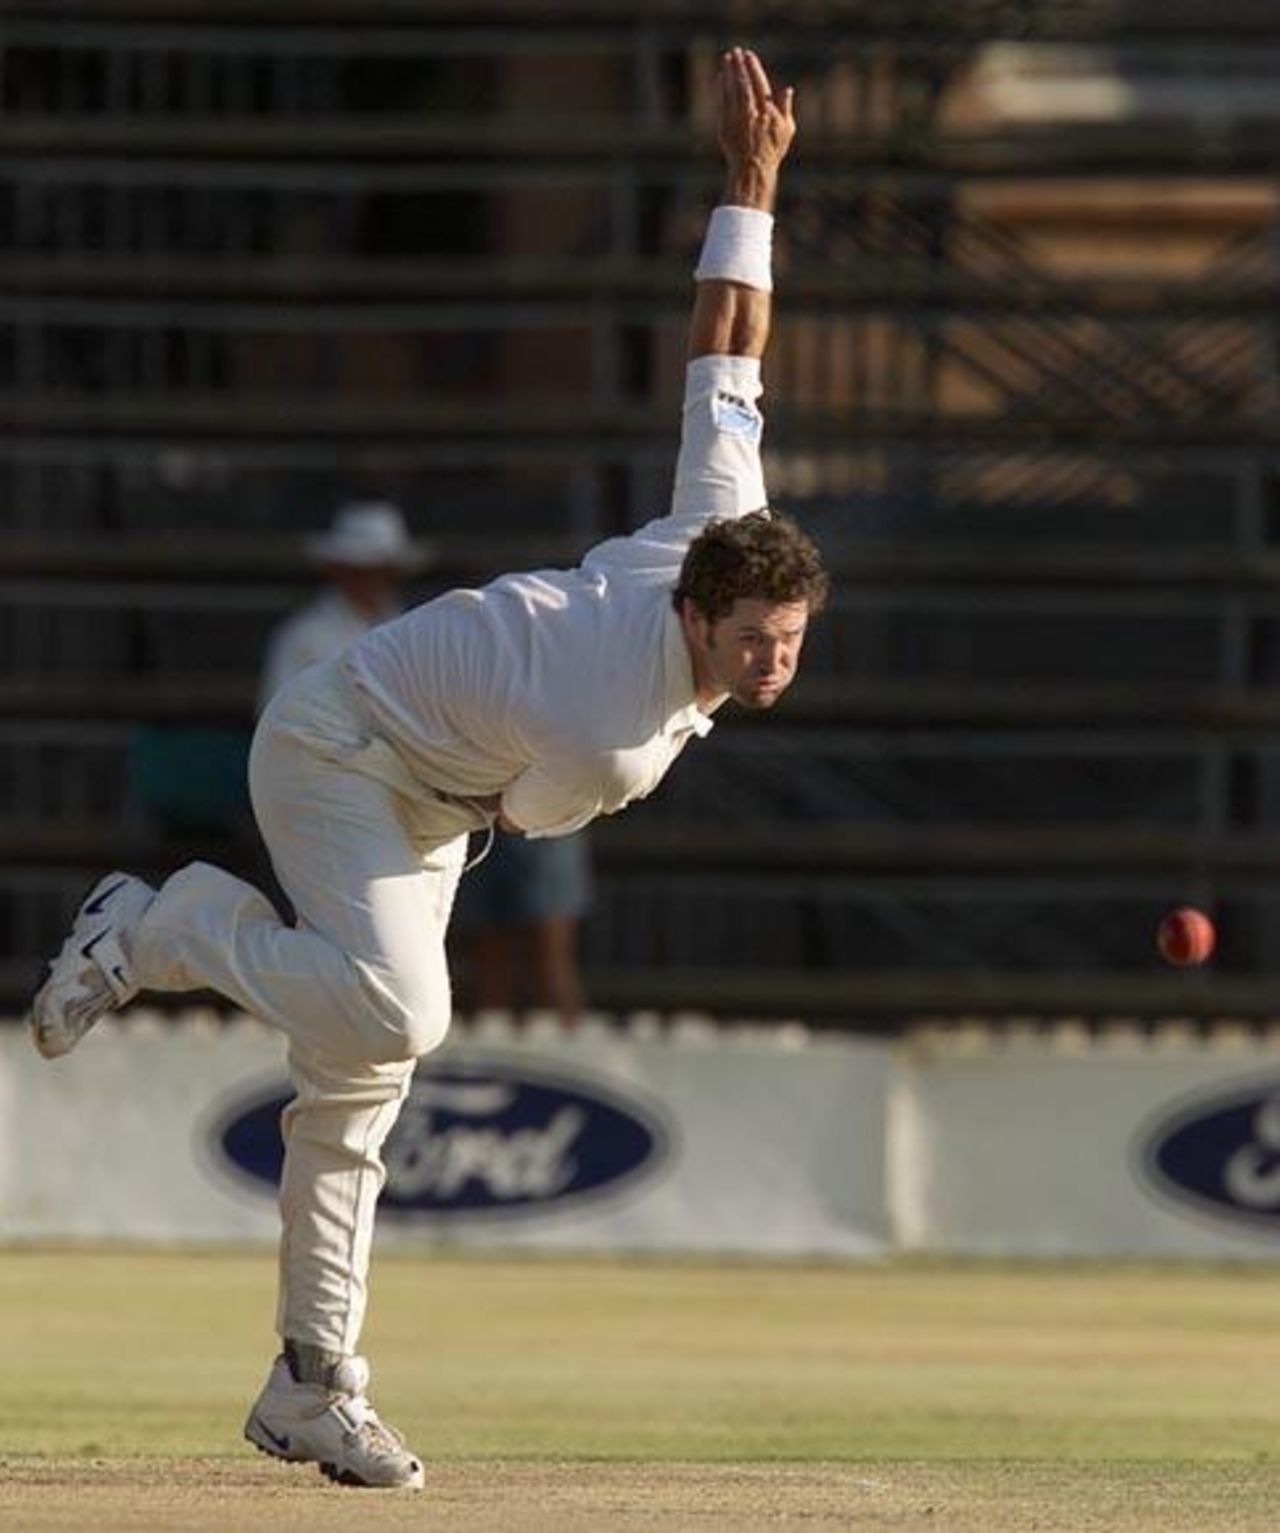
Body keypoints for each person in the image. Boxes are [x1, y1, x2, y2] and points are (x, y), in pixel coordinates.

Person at [27, 48, 823, 1492]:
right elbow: (516, 812)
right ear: (699, 616)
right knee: (404, 1009)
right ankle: (157, 926)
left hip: (430, 785)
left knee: (356, 1084)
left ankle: (310, 1379)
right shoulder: (619, 739)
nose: (773, 661)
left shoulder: (722, 517)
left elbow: (727, 344)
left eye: (791, 641)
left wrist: (749, 184)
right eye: (754, 641)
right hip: (342, 748)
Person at [263, 505, 594, 1025]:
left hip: (453, 795)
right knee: (479, 957)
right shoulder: (311, 636)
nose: (374, 577)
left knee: (540, 950)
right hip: (405, 799)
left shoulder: (412, 624)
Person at [258, 499, 425, 713]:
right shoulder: (302, 635)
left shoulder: (415, 630)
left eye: (377, 570)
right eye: (358, 571)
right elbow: (277, 717)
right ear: (339, 570)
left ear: (393, 572)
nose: (368, 581)